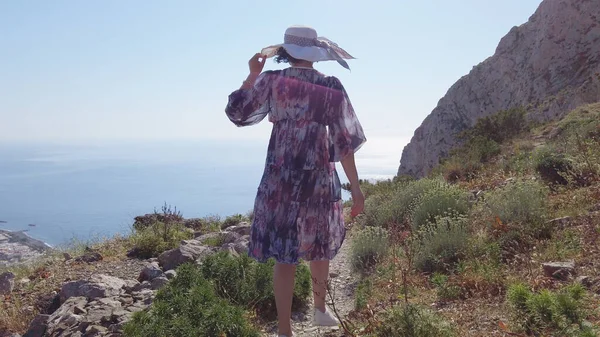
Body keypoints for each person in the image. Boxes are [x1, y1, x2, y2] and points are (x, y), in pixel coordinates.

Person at [225, 25, 366, 337]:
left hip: (281, 176)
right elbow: (345, 141)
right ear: (315, 54)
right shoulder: (331, 85)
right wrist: (355, 188)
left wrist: (251, 74)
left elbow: (238, 113)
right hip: (318, 174)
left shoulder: (272, 81)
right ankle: (319, 309)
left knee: (284, 255)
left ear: (286, 51)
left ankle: (285, 330)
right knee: (320, 246)